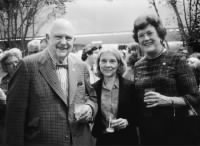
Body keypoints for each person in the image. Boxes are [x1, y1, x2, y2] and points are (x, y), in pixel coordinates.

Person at [5, 18, 97, 146]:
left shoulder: (81, 66)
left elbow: (92, 97)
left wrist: (90, 108)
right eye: (58, 37)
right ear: (48, 38)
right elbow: (14, 118)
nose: (64, 42)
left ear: (74, 41)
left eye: (68, 38)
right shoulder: (27, 66)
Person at [133, 14, 200, 145]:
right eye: (141, 35)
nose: (145, 38)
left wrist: (167, 100)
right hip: (148, 131)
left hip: (176, 130)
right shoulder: (138, 65)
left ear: (160, 35)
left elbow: (195, 97)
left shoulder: (177, 59)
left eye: (149, 33)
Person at [92, 47, 142, 146]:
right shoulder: (93, 88)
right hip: (103, 140)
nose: (107, 65)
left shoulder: (130, 87)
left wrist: (127, 121)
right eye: (103, 61)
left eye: (112, 61)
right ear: (98, 64)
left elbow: (139, 113)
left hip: (127, 139)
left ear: (119, 64)